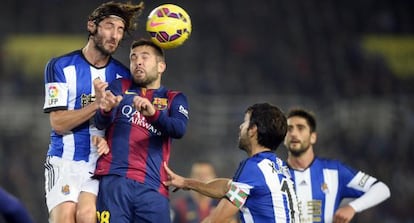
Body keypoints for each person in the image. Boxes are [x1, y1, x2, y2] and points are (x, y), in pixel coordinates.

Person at [42, 2, 144, 223]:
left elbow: (123, 126)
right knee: (66, 218)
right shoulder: (60, 66)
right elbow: (58, 123)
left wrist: (109, 141)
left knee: (87, 216)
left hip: (99, 164)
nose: (115, 35)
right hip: (64, 160)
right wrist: (96, 104)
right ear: (92, 26)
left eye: (120, 30)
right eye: (109, 26)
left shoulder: (123, 76)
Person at [93, 38, 190, 223]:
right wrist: (105, 110)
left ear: (161, 66)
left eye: (145, 57)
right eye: (133, 57)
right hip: (115, 181)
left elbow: (179, 129)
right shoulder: (120, 86)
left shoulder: (174, 98)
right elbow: (100, 123)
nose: (138, 61)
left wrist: (153, 114)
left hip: (153, 187)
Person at [164, 103, 301, 223]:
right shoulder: (279, 168)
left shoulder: (253, 168)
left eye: (245, 122)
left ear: (253, 130)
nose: (241, 126)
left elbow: (216, 220)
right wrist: (186, 183)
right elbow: (227, 187)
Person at [283, 108, 391, 223]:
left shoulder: (334, 172)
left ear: (313, 137)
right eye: (289, 129)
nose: (293, 133)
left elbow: (382, 189)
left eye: (300, 128)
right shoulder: (273, 174)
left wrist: (352, 207)